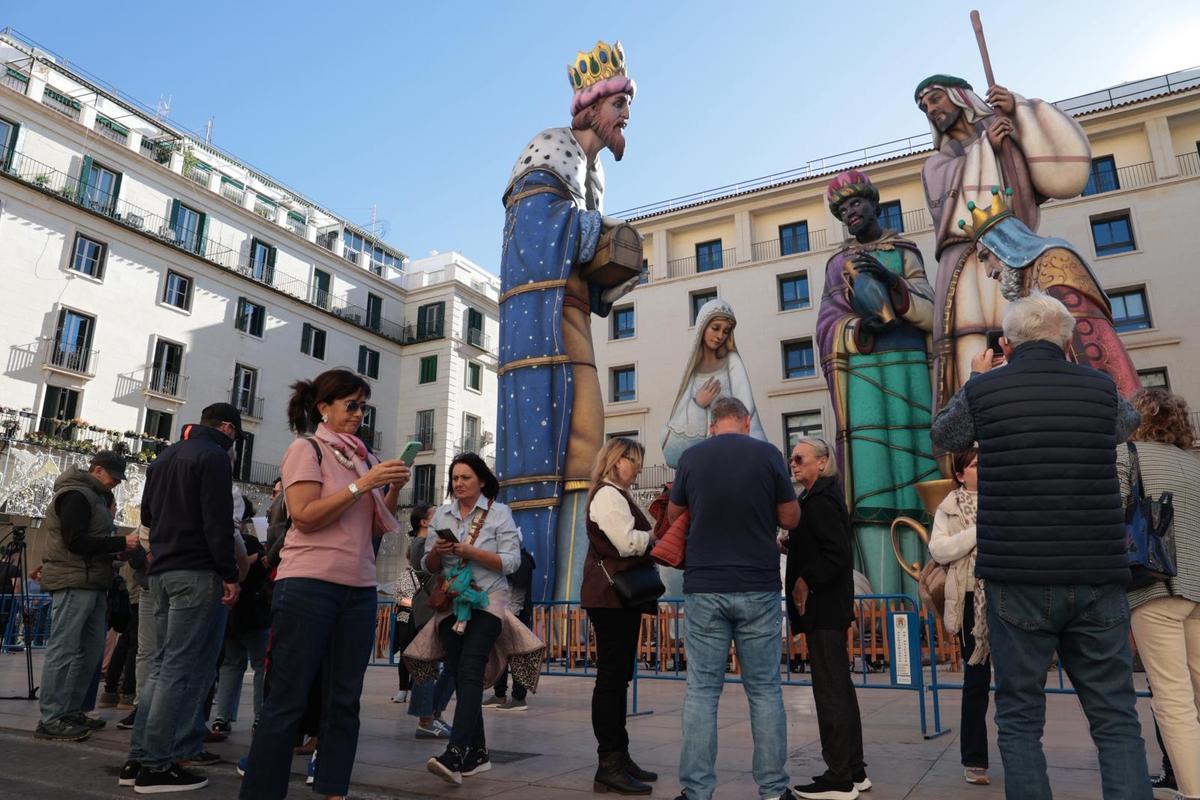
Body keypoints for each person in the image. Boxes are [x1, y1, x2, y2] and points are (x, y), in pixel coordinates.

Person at [931, 292, 1150, 800]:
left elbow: (944, 434)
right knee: (1116, 717)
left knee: (1020, 719)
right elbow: (1128, 423)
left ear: (1007, 342)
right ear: (1066, 339)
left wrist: (977, 378)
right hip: (1096, 573)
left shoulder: (987, 391)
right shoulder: (1098, 389)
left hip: (1018, 576)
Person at [497, 39, 641, 603]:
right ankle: (549, 596)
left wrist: (612, 265)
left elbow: (582, 245)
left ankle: (568, 591)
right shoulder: (550, 148)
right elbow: (534, 229)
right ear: (591, 107)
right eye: (619, 103)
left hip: (573, 313)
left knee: (585, 444)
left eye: (628, 103)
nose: (626, 114)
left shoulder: (592, 173)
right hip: (545, 322)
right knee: (571, 441)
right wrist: (594, 233)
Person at [238, 369, 410, 800]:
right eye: (351, 405)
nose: (358, 415)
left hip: (359, 586)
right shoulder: (307, 449)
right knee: (288, 699)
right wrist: (362, 483)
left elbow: (377, 524)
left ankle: (334, 789)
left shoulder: (363, 456)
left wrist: (389, 489)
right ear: (324, 408)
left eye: (363, 407)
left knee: (345, 700)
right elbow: (306, 516)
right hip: (308, 584)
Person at [914, 75, 1091, 408]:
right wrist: (986, 149)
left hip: (1015, 251)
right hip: (964, 263)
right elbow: (946, 204)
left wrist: (1016, 110)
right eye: (925, 106)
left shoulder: (1004, 131)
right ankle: (975, 440)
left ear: (961, 97)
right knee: (972, 336)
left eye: (935, 98)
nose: (930, 109)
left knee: (1027, 330)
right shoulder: (937, 163)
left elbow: (1047, 176)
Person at [667, 397, 800, 800]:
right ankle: (774, 790)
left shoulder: (691, 458)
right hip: (758, 584)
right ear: (745, 422)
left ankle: (696, 792)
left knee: (702, 692)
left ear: (712, 424)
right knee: (764, 690)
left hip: (705, 585)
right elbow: (791, 517)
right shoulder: (768, 454)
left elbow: (674, 517)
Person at [817, 169, 938, 597]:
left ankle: (927, 589)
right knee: (871, 476)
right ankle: (882, 594)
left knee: (917, 465)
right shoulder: (837, 263)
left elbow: (930, 308)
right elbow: (828, 322)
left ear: (874, 204)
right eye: (843, 209)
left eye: (856, 204)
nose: (851, 213)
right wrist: (857, 326)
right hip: (865, 369)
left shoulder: (905, 251)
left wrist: (890, 282)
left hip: (908, 366)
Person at [121, 404, 243, 793]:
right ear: (227, 428)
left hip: (162, 572)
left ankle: (138, 758)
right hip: (197, 571)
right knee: (178, 669)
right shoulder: (214, 456)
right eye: (236, 436)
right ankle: (157, 766)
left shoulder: (165, 456)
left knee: (159, 666)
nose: (235, 444)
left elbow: (149, 516)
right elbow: (217, 522)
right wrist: (229, 573)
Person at [420, 454, 542, 785]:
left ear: (482, 481)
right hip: (451, 602)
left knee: (471, 670)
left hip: (488, 602)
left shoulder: (499, 513)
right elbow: (427, 565)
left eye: (466, 478)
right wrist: (438, 553)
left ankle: (456, 753)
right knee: (461, 676)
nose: (459, 483)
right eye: (455, 478)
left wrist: (470, 553)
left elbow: (512, 562)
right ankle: (479, 753)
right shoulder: (442, 514)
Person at [962, 187, 1140, 396]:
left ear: (1004, 244)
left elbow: (1075, 343)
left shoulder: (1053, 261)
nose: (988, 272)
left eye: (986, 257)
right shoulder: (1028, 278)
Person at [1116, 389, 1200, 800]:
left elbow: (1109, 514)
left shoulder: (1127, 454)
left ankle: (1194, 790)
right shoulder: (1195, 463)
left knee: (1173, 699)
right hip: (1199, 591)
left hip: (1155, 586)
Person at [784, 437, 869, 800]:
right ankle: (854, 769)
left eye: (801, 458)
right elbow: (821, 544)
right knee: (840, 689)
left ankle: (838, 776)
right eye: (792, 458)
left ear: (822, 462)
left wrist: (806, 579)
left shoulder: (820, 500)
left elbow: (837, 554)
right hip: (827, 608)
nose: (794, 463)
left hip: (823, 608)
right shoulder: (817, 498)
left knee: (830, 691)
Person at [35, 450, 137, 742]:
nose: (116, 483)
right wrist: (119, 542)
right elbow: (76, 541)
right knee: (65, 649)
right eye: (114, 477)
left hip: (93, 581)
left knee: (89, 651)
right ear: (98, 470)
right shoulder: (76, 495)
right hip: (73, 579)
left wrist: (116, 551)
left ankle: (71, 710)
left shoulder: (95, 498)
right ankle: (52, 717)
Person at [581, 437, 658, 795]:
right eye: (635, 460)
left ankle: (619, 756)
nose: (640, 467)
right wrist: (654, 536)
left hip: (616, 599)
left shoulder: (616, 493)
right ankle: (608, 763)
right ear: (617, 460)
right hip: (610, 598)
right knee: (612, 679)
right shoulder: (609, 495)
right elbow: (627, 543)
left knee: (617, 677)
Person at [928, 446, 992, 786]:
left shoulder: (1005, 499)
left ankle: (1019, 751)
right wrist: (979, 531)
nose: (983, 470)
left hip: (1006, 595)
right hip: (970, 601)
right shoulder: (949, 506)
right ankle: (975, 759)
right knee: (976, 680)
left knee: (1016, 682)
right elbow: (939, 549)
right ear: (960, 473)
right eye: (977, 465)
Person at [662, 298, 767, 468]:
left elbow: (746, 407)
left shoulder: (732, 361)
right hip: (704, 453)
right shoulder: (693, 371)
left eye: (726, 331)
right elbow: (678, 418)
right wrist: (698, 404)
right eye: (715, 328)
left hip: (734, 449)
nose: (720, 336)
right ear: (703, 327)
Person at [212, 523, 270, 734]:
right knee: (261, 665)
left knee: (231, 664)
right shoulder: (250, 543)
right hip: (253, 615)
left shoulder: (217, 542)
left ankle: (222, 717)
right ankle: (260, 717)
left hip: (230, 615)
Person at [483, 545, 536, 712]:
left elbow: (518, 593)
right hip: (504, 613)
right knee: (500, 654)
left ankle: (518, 697)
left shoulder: (521, 560)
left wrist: (510, 617)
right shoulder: (509, 559)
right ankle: (500, 694)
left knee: (517, 655)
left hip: (513, 615)